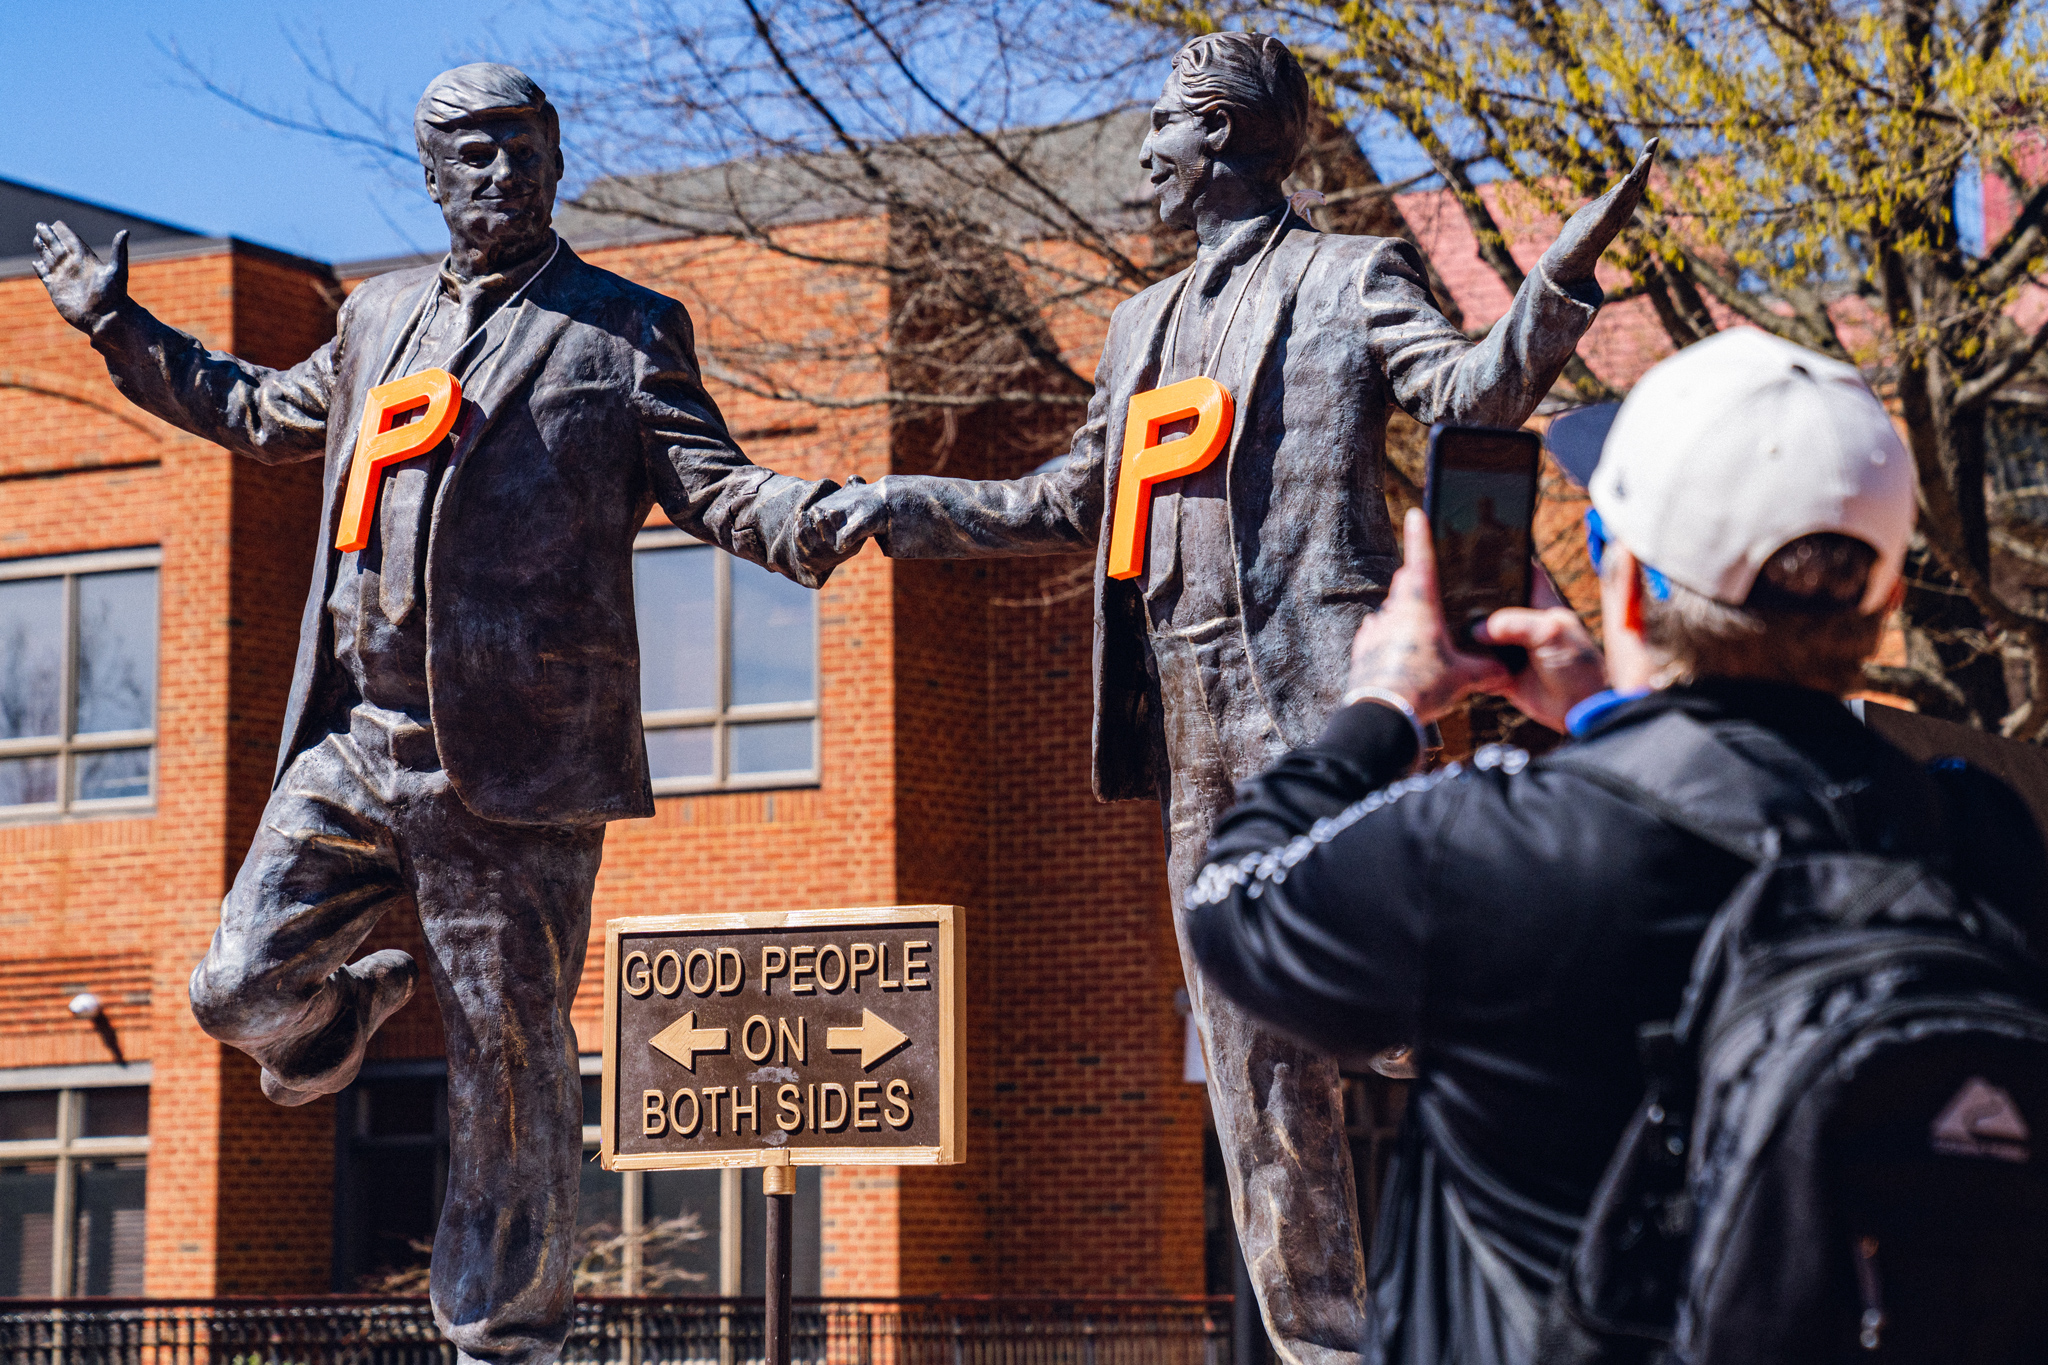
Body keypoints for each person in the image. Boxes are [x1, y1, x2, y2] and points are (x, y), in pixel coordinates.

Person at [816, 33, 1652, 1364]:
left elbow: (1464, 393)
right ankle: (1322, 1347)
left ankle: (1588, 1259)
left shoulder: (1347, 272)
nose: (1143, 150)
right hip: (1188, 712)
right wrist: (896, 501)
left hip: (1329, 696)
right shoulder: (1139, 325)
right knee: (1252, 1055)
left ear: (1228, 139)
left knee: (1402, 1013)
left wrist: (1556, 283)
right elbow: (1063, 501)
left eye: (1163, 125)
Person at [31, 64, 858, 1365]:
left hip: (517, 758)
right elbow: (256, 412)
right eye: (474, 154)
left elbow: (716, 488)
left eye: (524, 150)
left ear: (555, 161)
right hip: (360, 736)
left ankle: (499, 1337)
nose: (503, 175)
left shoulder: (623, 331)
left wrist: (806, 520)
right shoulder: (377, 321)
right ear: (432, 175)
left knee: (507, 1060)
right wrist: (117, 326)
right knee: (234, 985)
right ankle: (340, 1019)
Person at [1182, 329, 2048, 1365]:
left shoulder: (1502, 844)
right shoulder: (1973, 836)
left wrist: (1383, 700)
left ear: (1624, 583)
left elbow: (1231, 902)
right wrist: (1601, 716)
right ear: (1884, 601)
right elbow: (1747, 803)